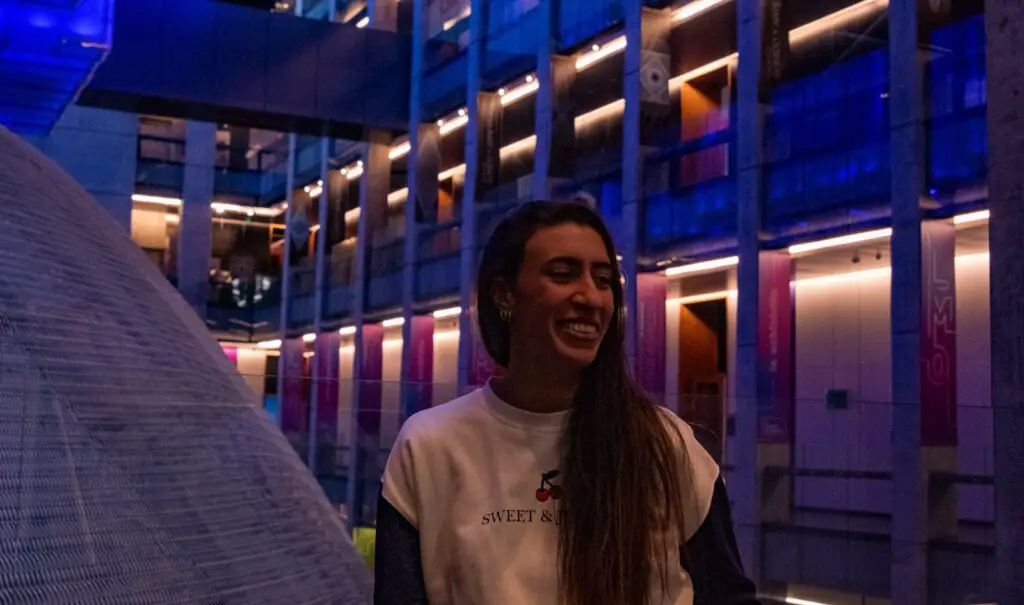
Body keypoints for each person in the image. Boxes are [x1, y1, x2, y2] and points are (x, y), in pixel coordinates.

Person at [374, 201, 759, 605]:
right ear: (504, 294)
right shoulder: (429, 446)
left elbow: (728, 596)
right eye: (563, 274)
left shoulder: (663, 443)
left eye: (605, 279)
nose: (592, 298)